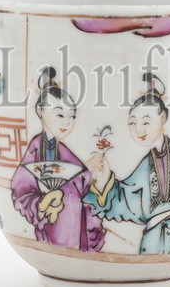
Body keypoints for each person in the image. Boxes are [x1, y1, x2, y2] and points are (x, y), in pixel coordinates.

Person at [86, 73, 170, 255]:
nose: (138, 130)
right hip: (153, 239)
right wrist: (103, 179)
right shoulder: (145, 166)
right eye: (132, 123)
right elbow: (126, 202)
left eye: (146, 122)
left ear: (162, 118)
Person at [11, 67, 105, 252]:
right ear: (40, 111)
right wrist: (42, 204)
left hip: (73, 219)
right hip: (52, 221)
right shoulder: (35, 148)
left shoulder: (64, 150)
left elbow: (83, 181)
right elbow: (21, 188)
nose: (66, 123)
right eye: (60, 115)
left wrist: (93, 173)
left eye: (72, 116)